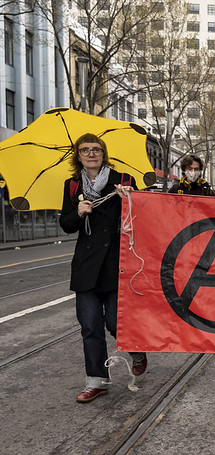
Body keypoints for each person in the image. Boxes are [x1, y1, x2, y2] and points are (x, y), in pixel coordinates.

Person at [59, 133, 148, 403]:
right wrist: (79, 212)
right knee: (90, 326)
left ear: (103, 153)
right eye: (85, 150)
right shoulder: (72, 186)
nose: (91, 154)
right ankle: (96, 381)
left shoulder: (122, 180)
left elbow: (141, 214)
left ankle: (136, 350)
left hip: (115, 264)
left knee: (114, 322)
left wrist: (128, 198)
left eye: (96, 149)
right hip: (85, 267)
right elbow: (66, 224)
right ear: (78, 155)